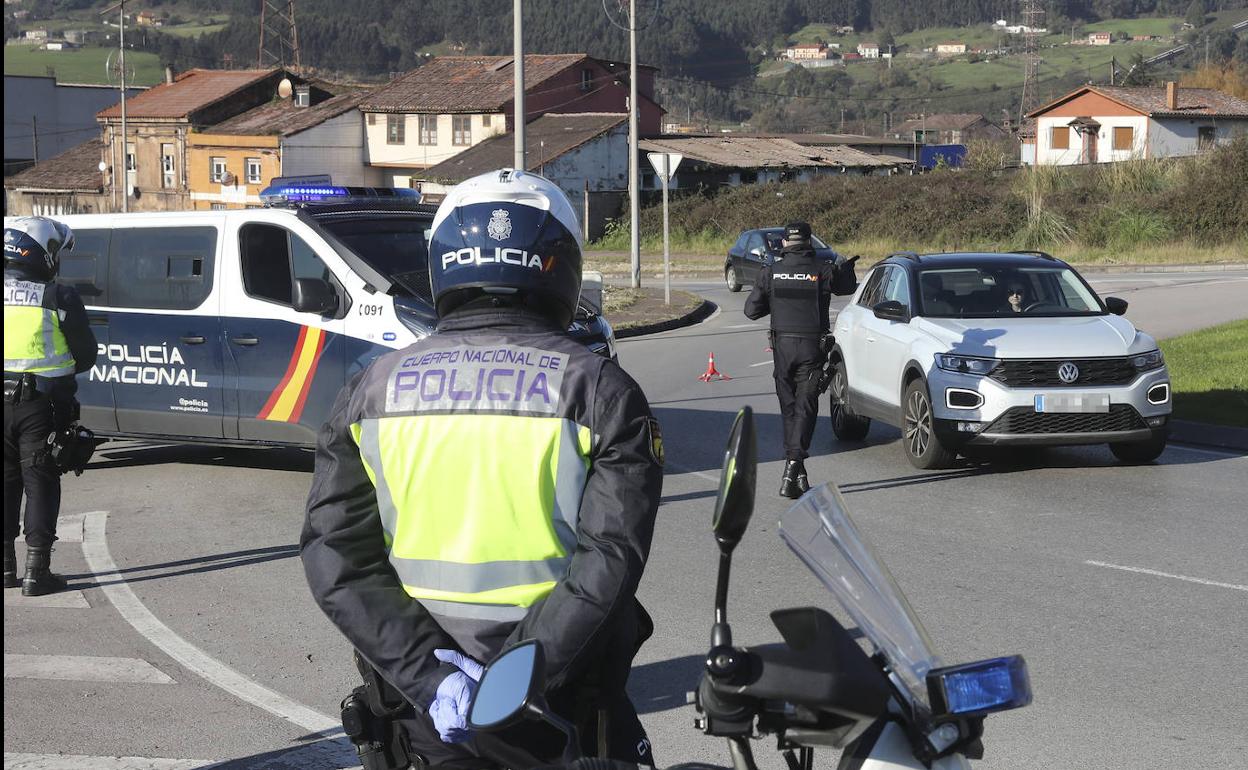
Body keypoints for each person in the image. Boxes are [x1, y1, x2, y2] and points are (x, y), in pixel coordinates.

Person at [301, 169, 663, 769]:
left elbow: (335, 553)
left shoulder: (372, 389)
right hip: (560, 700)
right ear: (559, 266)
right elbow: (610, 556)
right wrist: (519, 675)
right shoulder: (599, 389)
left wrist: (429, 675)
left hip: (428, 710)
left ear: (447, 263)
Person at [4, 216, 97, 596]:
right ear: (43, 253)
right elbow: (86, 355)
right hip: (39, 405)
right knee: (40, 483)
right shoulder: (58, 297)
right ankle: (36, 574)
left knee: (5, 483)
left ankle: (5, 570)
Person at [744, 222, 858, 499]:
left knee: (790, 410)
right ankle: (794, 466)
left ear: (784, 244)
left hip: (782, 349)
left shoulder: (770, 271)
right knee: (805, 409)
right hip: (811, 349)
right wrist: (846, 266)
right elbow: (848, 287)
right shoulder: (822, 269)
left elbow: (751, 311)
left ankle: (796, 472)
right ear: (809, 242)